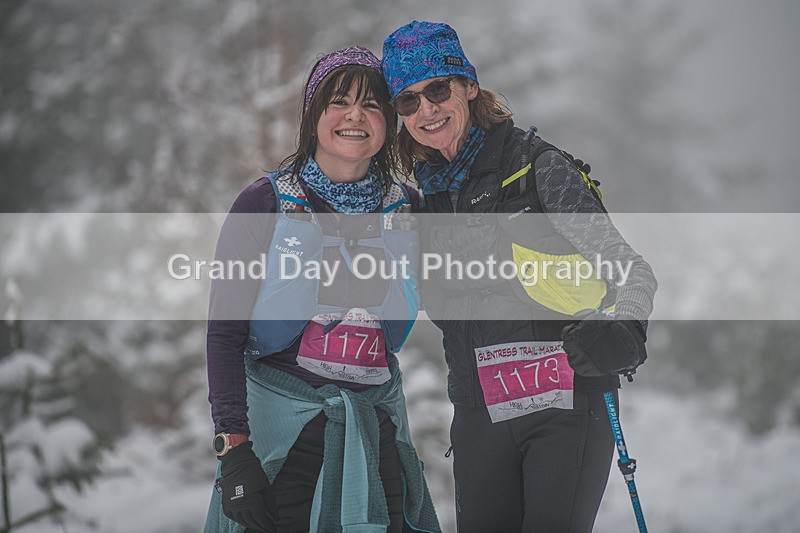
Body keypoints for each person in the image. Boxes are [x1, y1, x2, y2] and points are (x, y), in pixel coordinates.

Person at [382, 21, 658, 532]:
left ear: (468, 86)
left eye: (437, 89)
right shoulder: (423, 200)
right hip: (479, 415)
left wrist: (625, 330)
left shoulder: (537, 167)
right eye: (408, 100)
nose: (426, 110)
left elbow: (631, 270)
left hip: (564, 408)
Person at [203, 46, 439, 533]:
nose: (355, 116)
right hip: (282, 445)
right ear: (314, 116)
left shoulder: (411, 209)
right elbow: (224, 333)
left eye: (371, 104)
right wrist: (234, 449)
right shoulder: (264, 203)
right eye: (339, 102)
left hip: (377, 438)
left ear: (388, 121)